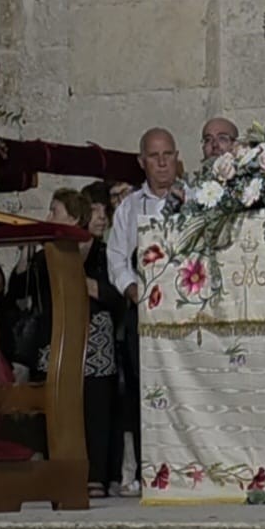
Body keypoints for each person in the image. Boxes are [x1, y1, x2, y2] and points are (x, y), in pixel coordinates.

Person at [6, 189, 123, 496]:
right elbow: (18, 294)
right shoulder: (46, 255)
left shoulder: (103, 252)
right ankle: (58, 470)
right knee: (55, 404)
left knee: (94, 408)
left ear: (73, 217)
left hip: (94, 337)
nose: (48, 217)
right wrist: (24, 255)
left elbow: (118, 293)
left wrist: (91, 287)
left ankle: (95, 474)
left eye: (54, 210)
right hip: (54, 336)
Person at [107, 128, 181, 497]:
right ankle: (147, 470)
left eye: (168, 154)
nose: (163, 161)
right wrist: (134, 290)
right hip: (146, 313)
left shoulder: (194, 198)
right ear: (142, 161)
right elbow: (117, 258)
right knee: (142, 390)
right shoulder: (129, 207)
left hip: (185, 312)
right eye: (155, 156)